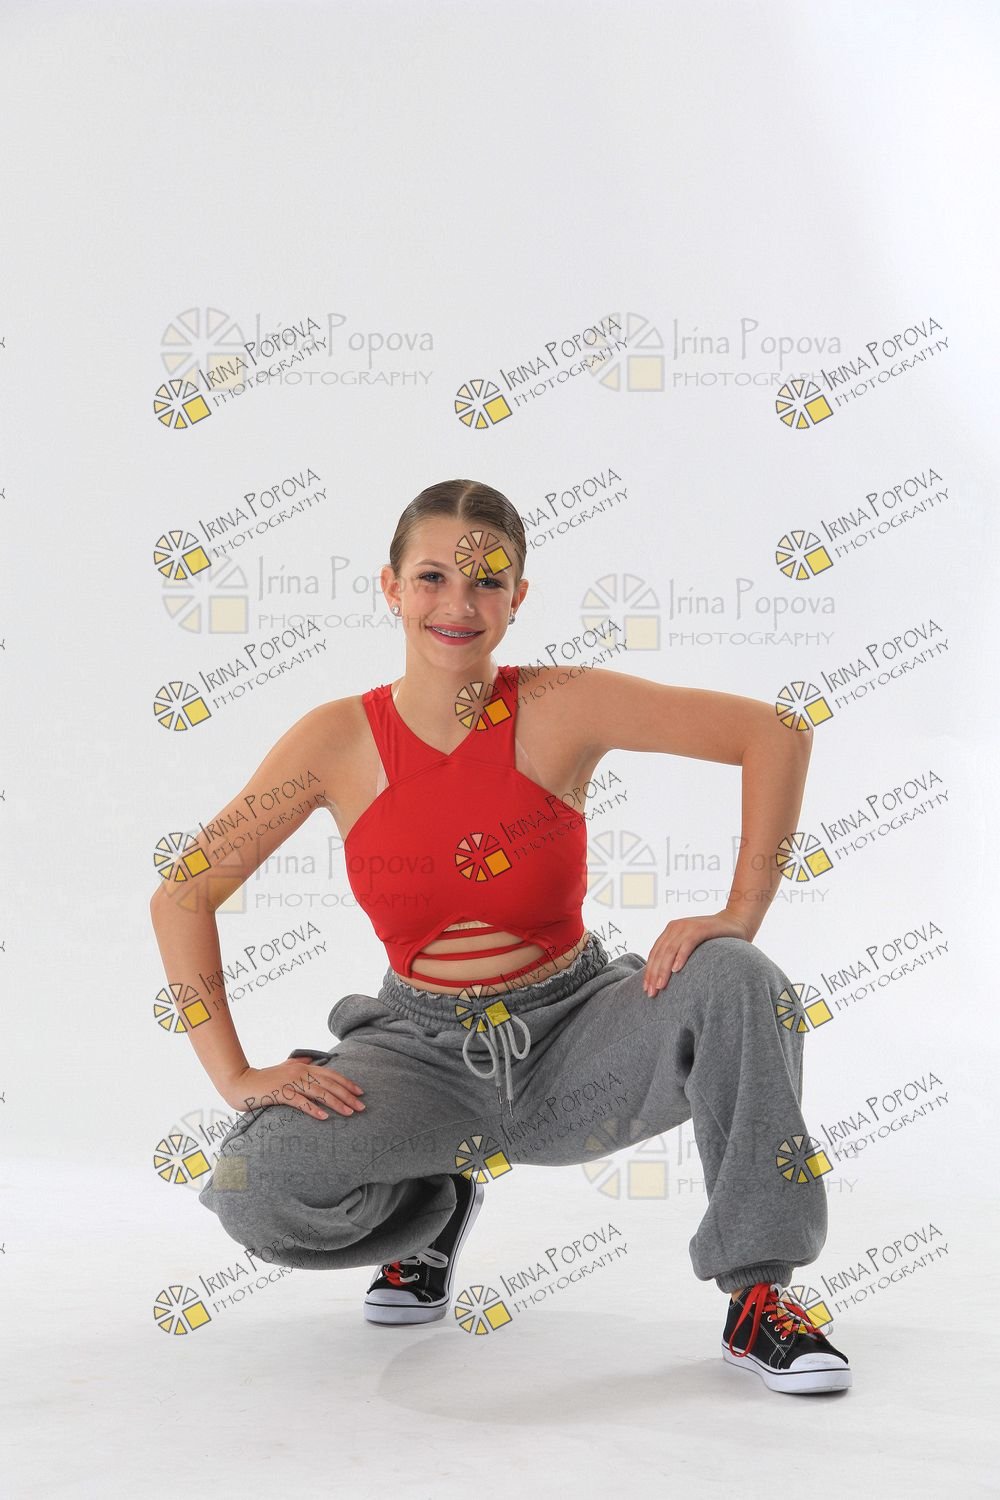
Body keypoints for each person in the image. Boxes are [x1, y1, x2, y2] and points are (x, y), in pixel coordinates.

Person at [149, 478, 852, 1396]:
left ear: (518, 596)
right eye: (432, 577)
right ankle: (431, 1199)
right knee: (256, 1188)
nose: (458, 603)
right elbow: (184, 895)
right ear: (391, 588)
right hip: (420, 1054)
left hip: (576, 1034)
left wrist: (737, 915)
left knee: (737, 975)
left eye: (487, 580)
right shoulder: (335, 741)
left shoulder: (562, 701)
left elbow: (775, 732)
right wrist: (236, 1077)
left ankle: (759, 1294)